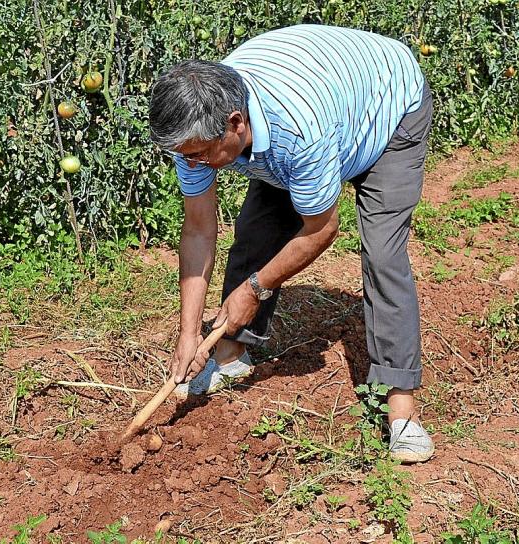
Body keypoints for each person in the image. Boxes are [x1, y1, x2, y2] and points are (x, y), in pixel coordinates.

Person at [148, 24, 434, 463]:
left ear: (236, 123)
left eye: (199, 154)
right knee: (257, 229)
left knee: (382, 254)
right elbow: (200, 230)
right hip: (325, 100)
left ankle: (402, 411)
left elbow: (321, 228)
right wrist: (188, 334)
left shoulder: (298, 131)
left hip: (388, 110)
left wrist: (255, 288)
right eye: (185, 155)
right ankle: (229, 354)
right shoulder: (197, 131)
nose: (193, 163)